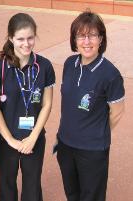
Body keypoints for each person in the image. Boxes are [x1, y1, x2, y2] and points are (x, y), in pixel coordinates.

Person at [56, 11, 125, 201]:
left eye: (92, 35)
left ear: (101, 39)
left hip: (92, 151)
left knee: (91, 197)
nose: (86, 41)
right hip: (66, 145)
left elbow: (117, 113)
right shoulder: (70, 64)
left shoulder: (110, 74)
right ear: (74, 39)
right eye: (81, 35)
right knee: (72, 194)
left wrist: (96, 131)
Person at [0, 13, 55, 201]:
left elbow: (47, 104)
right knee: (7, 185)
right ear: (11, 38)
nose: (26, 44)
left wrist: (33, 137)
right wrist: (9, 139)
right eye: (20, 39)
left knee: (32, 186)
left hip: (33, 139)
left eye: (30, 38)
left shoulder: (45, 66)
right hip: (5, 141)